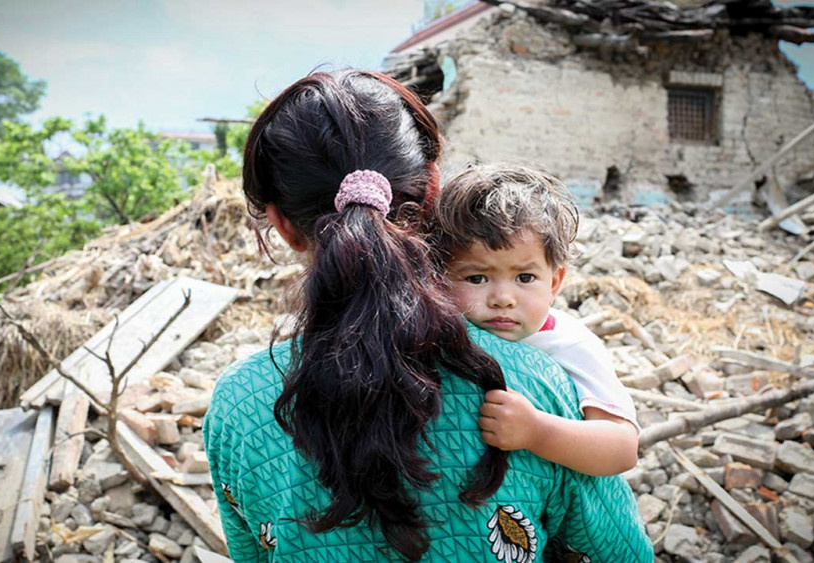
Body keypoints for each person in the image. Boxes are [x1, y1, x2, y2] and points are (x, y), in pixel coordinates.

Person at [203, 69, 652, 562]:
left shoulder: (237, 407)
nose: (503, 297)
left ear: (281, 224)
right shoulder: (532, 387)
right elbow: (620, 550)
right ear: (433, 191)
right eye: (483, 278)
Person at [431, 164, 640, 477]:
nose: (503, 297)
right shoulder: (433, 333)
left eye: (525, 277)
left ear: (554, 283)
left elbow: (622, 448)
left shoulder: (569, 345)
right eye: (477, 278)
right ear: (440, 278)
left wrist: (538, 432)